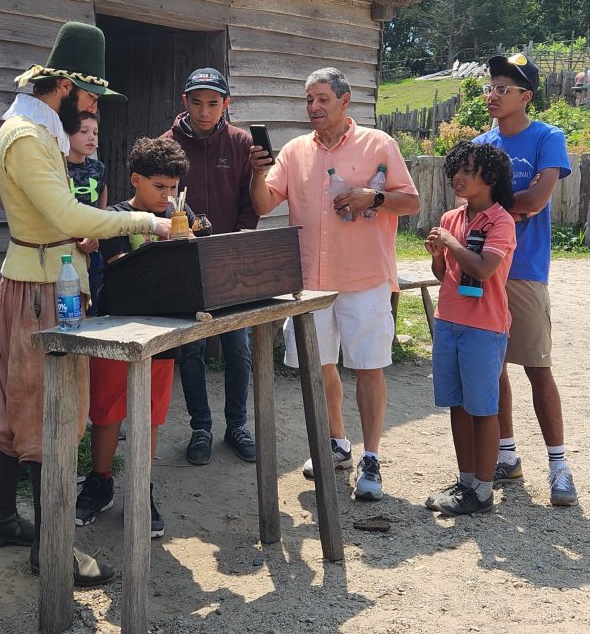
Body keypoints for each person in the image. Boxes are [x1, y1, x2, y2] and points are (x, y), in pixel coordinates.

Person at [0, 22, 171, 586]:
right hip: (42, 287)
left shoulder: (33, 132)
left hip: (40, 277)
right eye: (88, 98)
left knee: (20, 404)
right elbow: (68, 218)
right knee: (51, 413)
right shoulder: (27, 138)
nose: (90, 108)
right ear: (62, 88)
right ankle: (54, 551)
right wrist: (146, 220)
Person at [249, 67, 420, 501]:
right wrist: (257, 171)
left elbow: (412, 202)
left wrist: (373, 197)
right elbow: (264, 201)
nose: (314, 108)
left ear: (345, 102)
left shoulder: (379, 144)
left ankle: (372, 457)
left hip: (364, 278)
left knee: (368, 367)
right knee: (319, 365)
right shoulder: (293, 151)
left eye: (322, 99)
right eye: (309, 100)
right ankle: (337, 442)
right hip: (309, 282)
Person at [75, 137, 195, 537]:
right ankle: (100, 481)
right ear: (136, 179)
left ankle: (141, 490)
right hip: (114, 324)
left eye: (173, 187)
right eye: (159, 187)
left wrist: (190, 241)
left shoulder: (182, 214)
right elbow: (121, 266)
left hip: (163, 329)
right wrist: (166, 242)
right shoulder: (113, 217)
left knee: (151, 416)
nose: (167, 196)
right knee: (107, 412)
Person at [473, 53, 576, 506]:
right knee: (493, 368)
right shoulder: (481, 143)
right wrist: (500, 208)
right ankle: (507, 455)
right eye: (490, 87)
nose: (492, 95)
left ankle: (559, 466)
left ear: (526, 96)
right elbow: (471, 202)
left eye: (503, 89)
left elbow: (537, 198)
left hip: (525, 270)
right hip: (484, 269)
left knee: (537, 368)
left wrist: (494, 206)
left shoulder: (547, 136)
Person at [161, 67, 258, 466]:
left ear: (226, 105)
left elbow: (251, 201)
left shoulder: (241, 143)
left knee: (239, 347)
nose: (205, 112)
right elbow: (158, 200)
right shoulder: (167, 145)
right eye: (197, 103)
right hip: (184, 261)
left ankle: (237, 424)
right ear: (184, 102)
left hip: (233, 258)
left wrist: (237, 241)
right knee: (192, 349)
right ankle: (200, 427)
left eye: (213, 104)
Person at [424, 142, 516, 516]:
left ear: (490, 177)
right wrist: (437, 255)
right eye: (454, 171)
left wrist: (450, 242)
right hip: (448, 323)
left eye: (467, 170)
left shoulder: (501, 221)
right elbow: (444, 275)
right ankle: (465, 482)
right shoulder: (451, 217)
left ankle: (482, 489)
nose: (457, 178)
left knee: (483, 409)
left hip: (483, 328)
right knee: (457, 405)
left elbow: (482, 269)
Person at [66, 110, 108, 311]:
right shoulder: (58, 168)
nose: (91, 137)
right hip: (66, 246)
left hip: (93, 244)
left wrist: (97, 232)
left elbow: (102, 194)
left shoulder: (98, 168)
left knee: (94, 302)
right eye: (84, 131)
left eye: (95, 132)